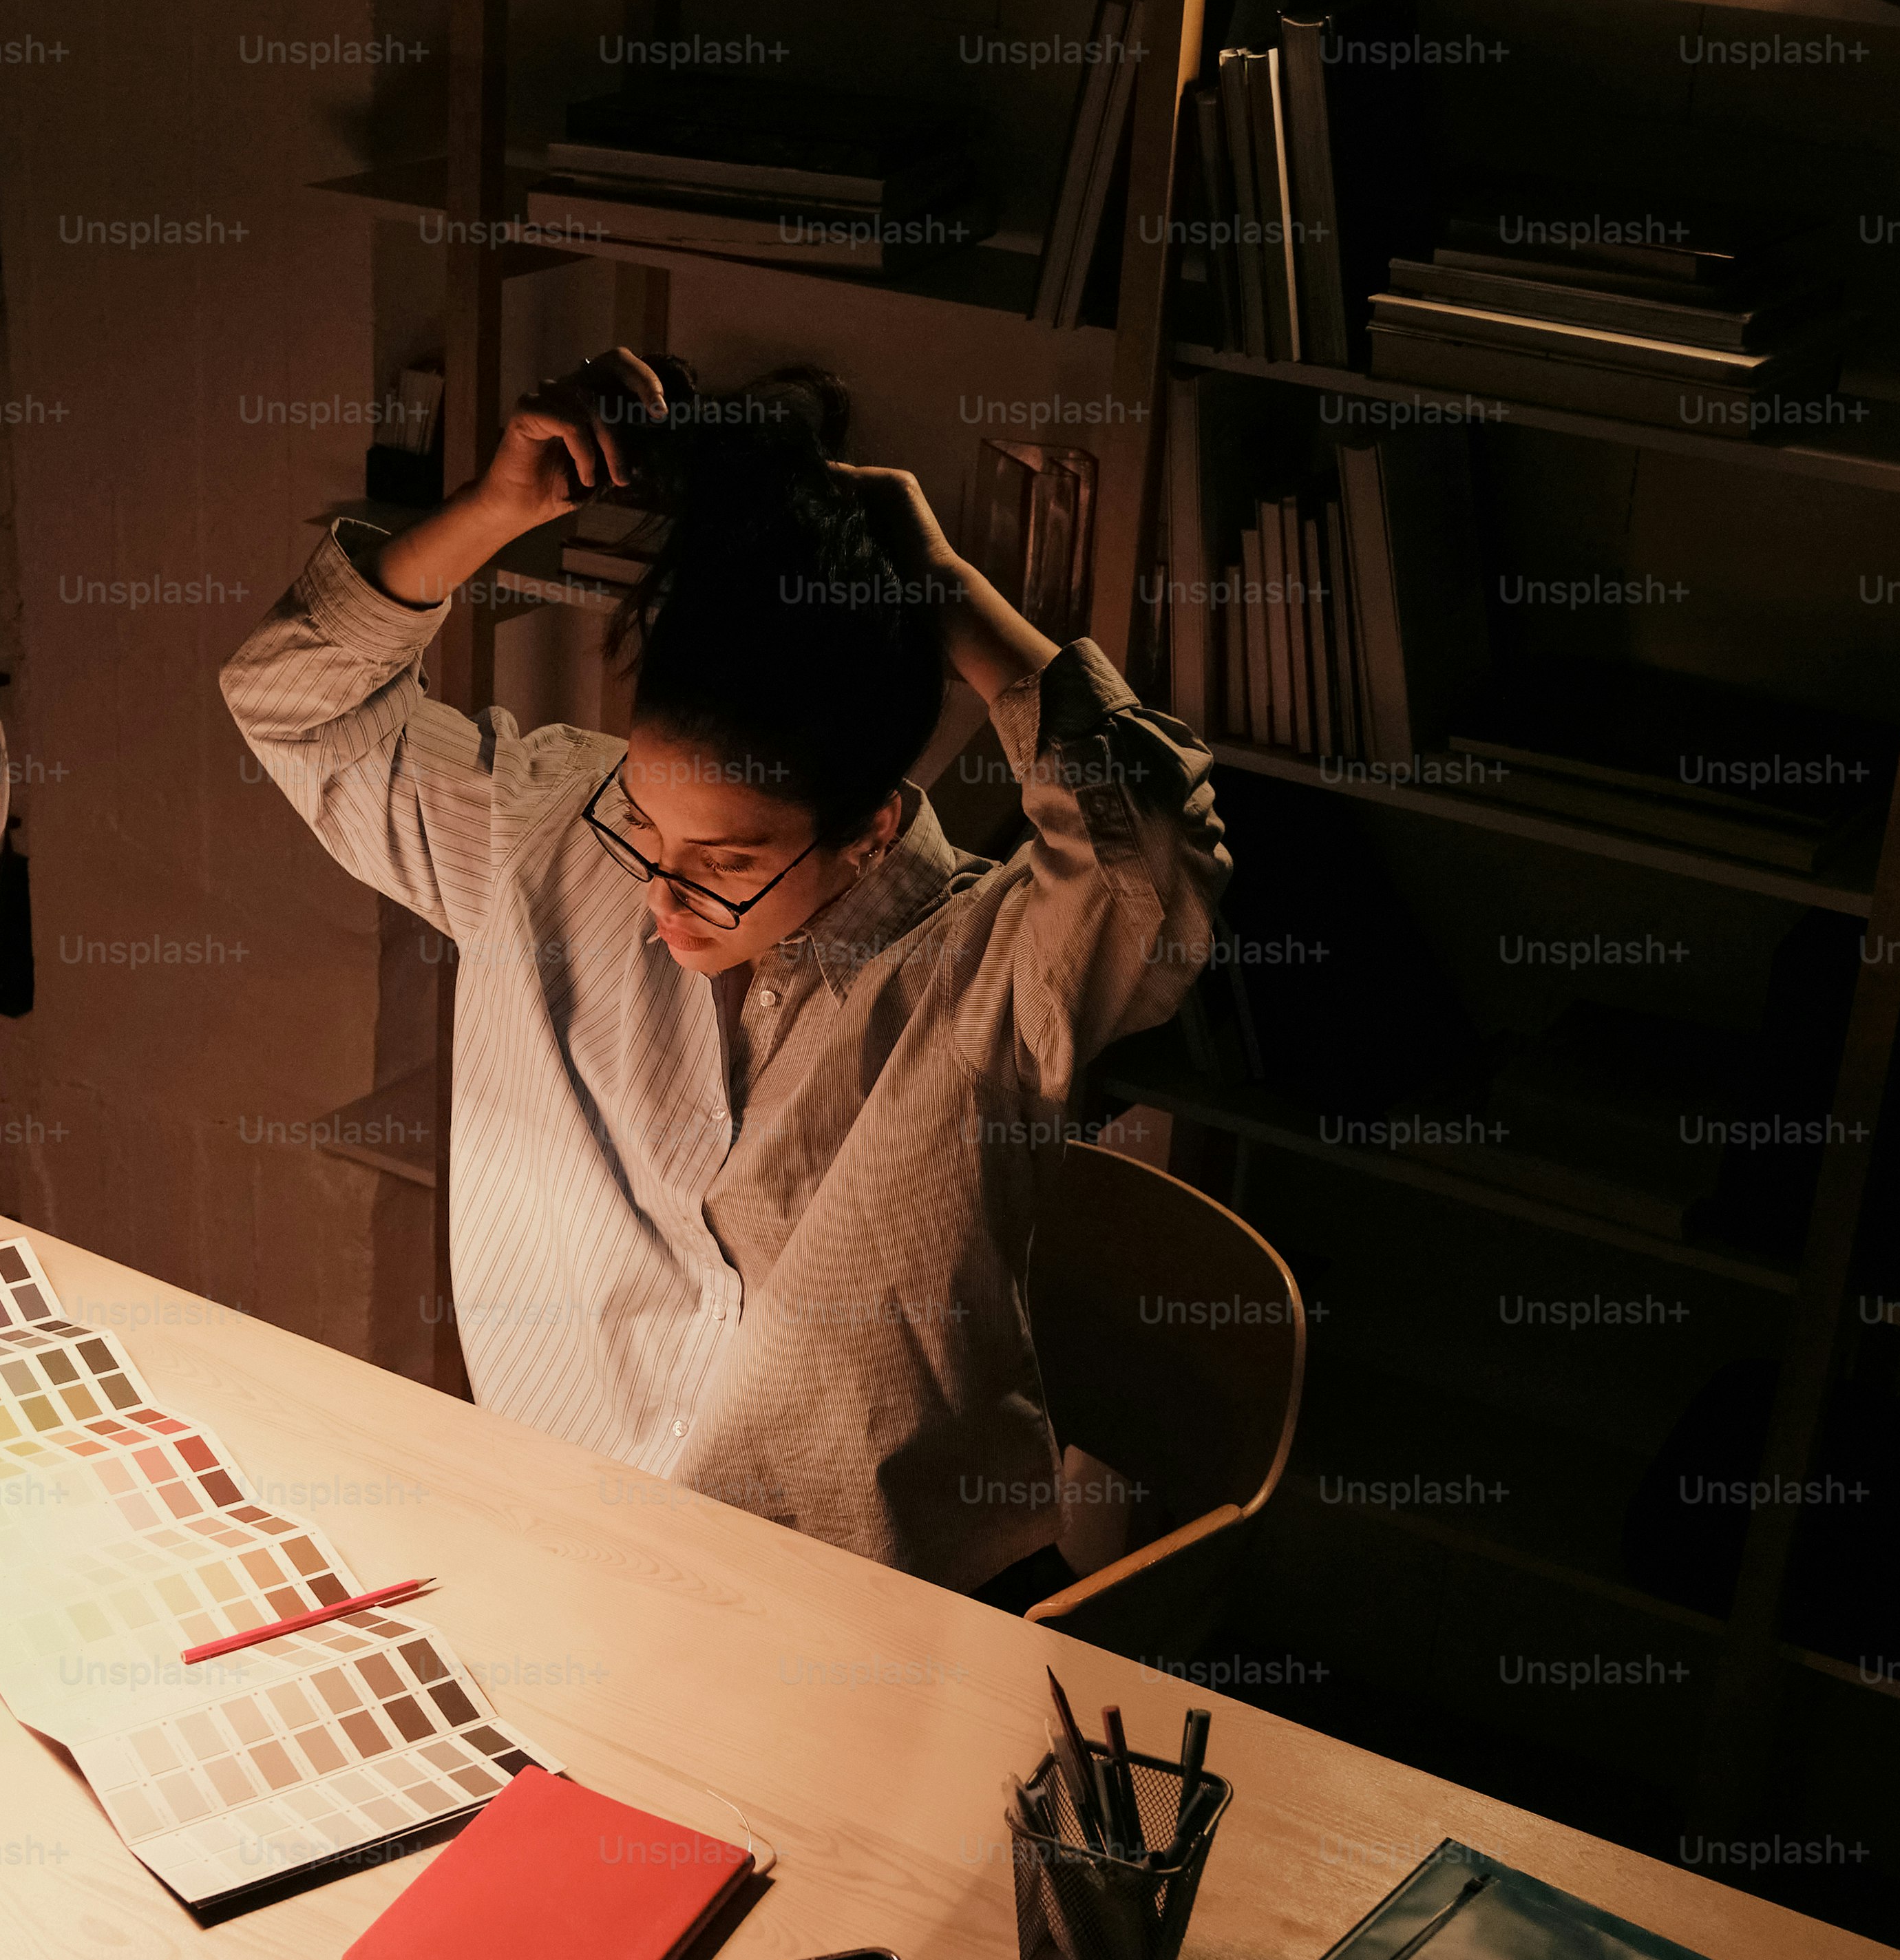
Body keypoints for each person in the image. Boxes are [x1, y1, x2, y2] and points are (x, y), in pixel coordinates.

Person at [222, 349, 1229, 1601]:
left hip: (879, 1607)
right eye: (645, 824)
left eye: (728, 860)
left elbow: (1159, 856)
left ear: (868, 825)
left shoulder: (993, 966)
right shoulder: (545, 834)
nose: (661, 894)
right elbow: (296, 704)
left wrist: (950, 591)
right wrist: (494, 510)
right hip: (574, 1554)